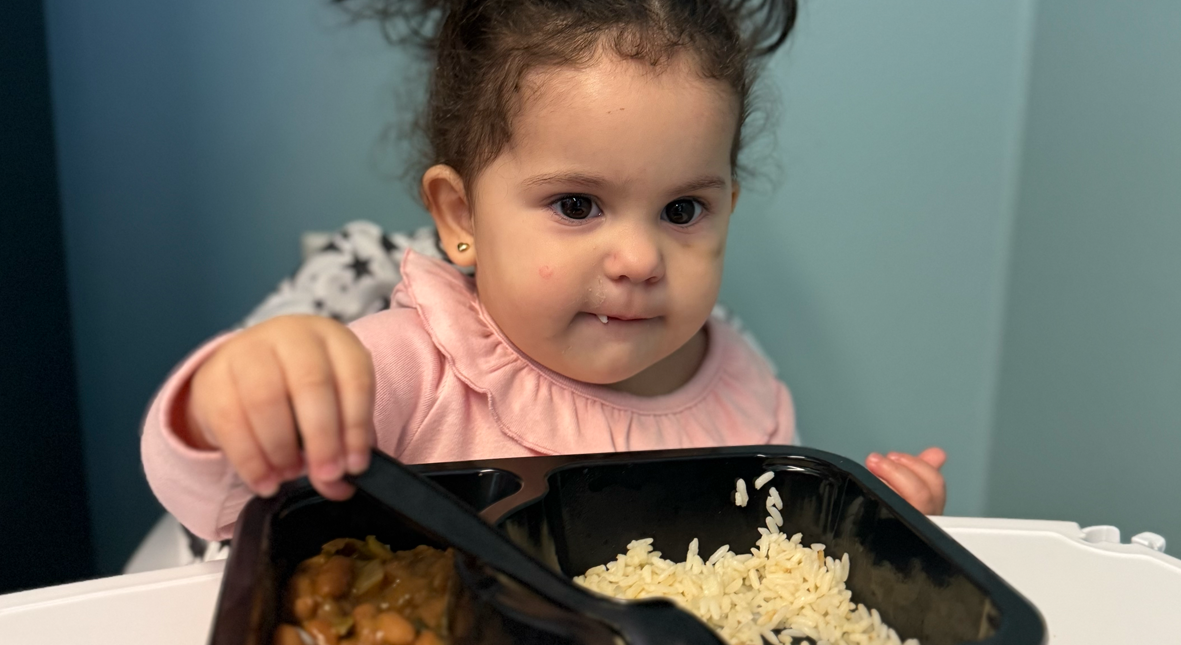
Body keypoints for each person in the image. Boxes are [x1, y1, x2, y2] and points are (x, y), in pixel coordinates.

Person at [141, 0, 947, 543]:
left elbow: (774, 564)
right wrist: (235, 398)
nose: (639, 260)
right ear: (461, 217)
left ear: (727, 207)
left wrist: (872, 535)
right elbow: (228, 504)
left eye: (681, 210)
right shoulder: (408, 371)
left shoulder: (748, 395)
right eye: (576, 205)